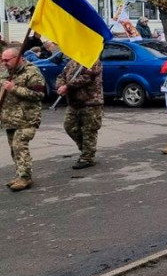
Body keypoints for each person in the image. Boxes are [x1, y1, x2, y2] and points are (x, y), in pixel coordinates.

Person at [1, 48, 46, 191]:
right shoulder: (6, 73)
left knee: (19, 145)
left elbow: (39, 94)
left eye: (7, 60)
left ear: (18, 57)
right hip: (10, 118)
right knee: (14, 149)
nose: (4, 63)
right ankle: (20, 174)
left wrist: (14, 88)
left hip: (27, 118)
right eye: (2, 60)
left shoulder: (32, 72)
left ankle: (25, 178)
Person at [56, 58, 104, 169]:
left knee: (89, 130)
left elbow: (87, 77)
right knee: (69, 126)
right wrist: (60, 86)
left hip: (91, 101)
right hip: (74, 102)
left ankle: (87, 157)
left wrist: (67, 86)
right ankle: (87, 150)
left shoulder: (93, 61)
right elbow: (61, 75)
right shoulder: (71, 62)